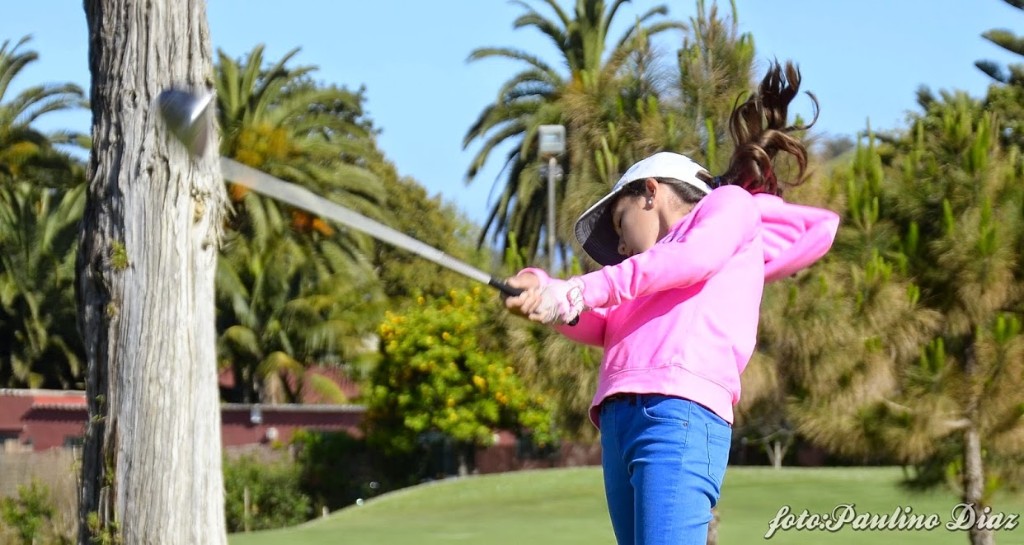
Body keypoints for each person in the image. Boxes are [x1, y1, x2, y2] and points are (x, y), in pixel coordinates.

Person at [503, 61, 839, 545]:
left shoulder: (728, 207)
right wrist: (539, 289)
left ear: (650, 192)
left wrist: (575, 291)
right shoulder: (642, 276)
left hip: (679, 412)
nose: (620, 247)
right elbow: (598, 320)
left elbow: (689, 260)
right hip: (619, 421)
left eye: (619, 224)